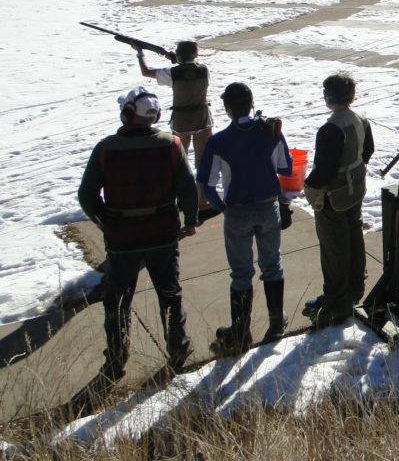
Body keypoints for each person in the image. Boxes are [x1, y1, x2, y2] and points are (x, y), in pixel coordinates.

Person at [78, 87, 198, 381]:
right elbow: (187, 188)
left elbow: (86, 195)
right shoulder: (171, 144)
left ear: (129, 115)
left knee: (118, 301)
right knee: (170, 295)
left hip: (122, 240)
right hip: (163, 234)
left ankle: (117, 360)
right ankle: (178, 349)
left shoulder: (106, 148)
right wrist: (191, 220)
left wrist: (105, 222)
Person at [197, 82, 292, 353]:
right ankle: (276, 324)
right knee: (272, 265)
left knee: (241, 273)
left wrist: (221, 206)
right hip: (267, 206)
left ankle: (240, 331)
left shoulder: (218, 141)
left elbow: (206, 182)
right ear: (252, 104)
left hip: (237, 210)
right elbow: (285, 167)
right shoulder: (270, 132)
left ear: (227, 108)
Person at [302, 73, 374, 328]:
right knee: (354, 236)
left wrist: (307, 186)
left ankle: (336, 300)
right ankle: (355, 286)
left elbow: (324, 170)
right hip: (355, 190)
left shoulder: (330, 129)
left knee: (333, 248)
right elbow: (368, 151)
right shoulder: (360, 119)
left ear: (329, 97)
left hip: (334, 196)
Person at [134, 41, 214, 214]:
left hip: (181, 123)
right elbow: (190, 70)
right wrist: (176, 58)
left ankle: (179, 200)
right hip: (202, 120)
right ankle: (203, 201)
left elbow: (146, 72)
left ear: (178, 54)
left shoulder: (173, 73)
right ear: (195, 54)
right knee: (203, 163)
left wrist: (140, 53)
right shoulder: (204, 70)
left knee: (178, 163)